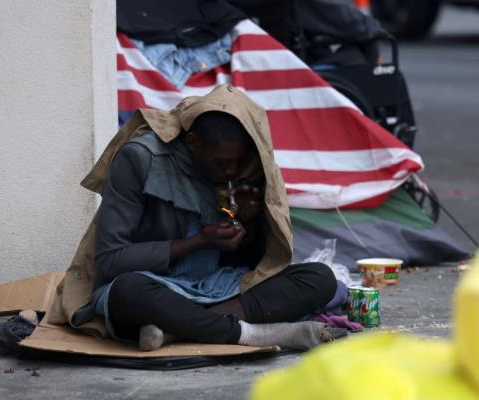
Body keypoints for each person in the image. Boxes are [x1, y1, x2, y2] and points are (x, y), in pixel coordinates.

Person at [47, 84, 340, 351]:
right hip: (154, 287)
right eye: (224, 163)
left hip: (214, 288)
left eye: (238, 162)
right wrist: (198, 242)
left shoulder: (241, 170)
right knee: (128, 291)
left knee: (320, 278)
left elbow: (250, 266)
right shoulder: (139, 158)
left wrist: (248, 223)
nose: (232, 170)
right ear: (194, 145)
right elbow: (110, 260)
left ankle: (176, 330)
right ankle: (252, 335)